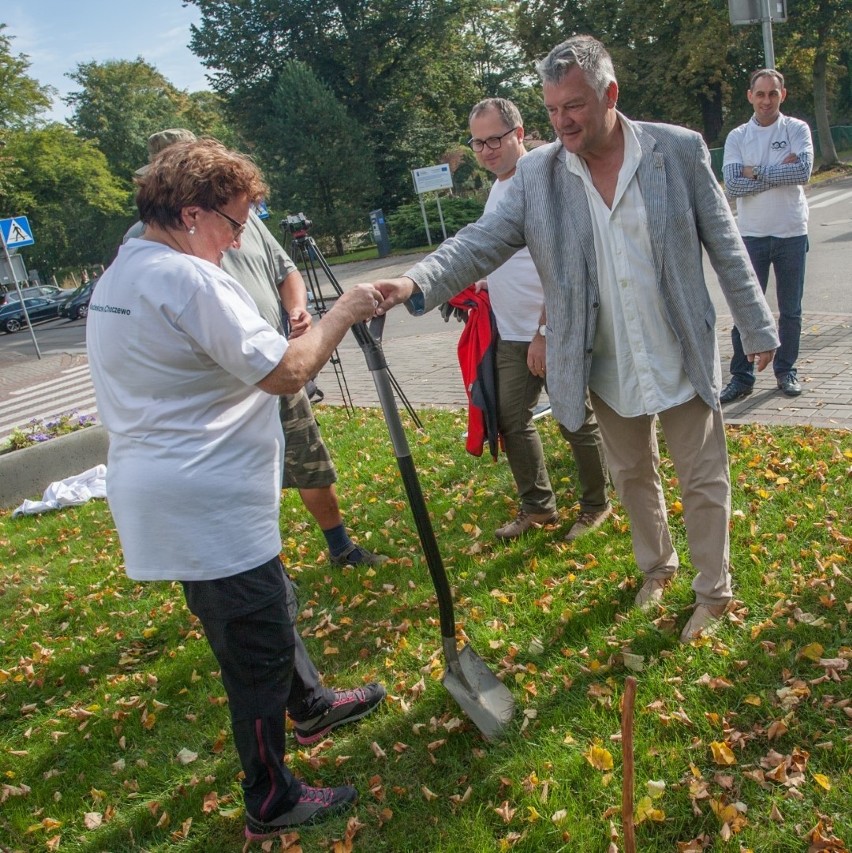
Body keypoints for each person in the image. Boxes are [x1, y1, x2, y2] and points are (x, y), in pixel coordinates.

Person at [372, 35, 779, 643]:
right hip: (604, 359)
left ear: (609, 94)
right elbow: (481, 240)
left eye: (575, 106)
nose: (561, 121)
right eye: (552, 109)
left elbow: (724, 241)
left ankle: (713, 593)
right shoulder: (539, 175)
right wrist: (413, 282)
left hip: (678, 349)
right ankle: (656, 571)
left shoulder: (677, 149)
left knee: (702, 477)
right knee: (632, 473)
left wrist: (756, 323)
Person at [87, 138, 386, 840]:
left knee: (268, 602)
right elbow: (284, 369)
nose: (240, 236)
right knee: (252, 652)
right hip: (203, 497)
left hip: (176, 493)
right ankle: (270, 796)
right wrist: (340, 312)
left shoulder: (125, 273)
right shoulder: (189, 280)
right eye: (233, 221)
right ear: (191, 214)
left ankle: (309, 703)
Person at [131, 129, 387, 567]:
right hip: (229, 383)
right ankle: (265, 567)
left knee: (309, 459)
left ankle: (339, 545)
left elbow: (287, 271)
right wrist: (342, 313)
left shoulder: (239, 217)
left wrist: (298, 309)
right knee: (244, 481)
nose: (235, 238)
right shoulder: (156, 244)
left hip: (276, 354)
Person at [466, 97, 611, 541]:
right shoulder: (497, 188)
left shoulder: (545, 181)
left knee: (573, 418)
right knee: (511, 419)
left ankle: (595, 505)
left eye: (495, 138)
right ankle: (538, 507)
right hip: (509, 333)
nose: (487, 150)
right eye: (477, 142)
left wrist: (545, 332)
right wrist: (486, 285)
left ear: (519, 133)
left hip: (551, 330)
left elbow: (565, 267)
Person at [721, 68, 813, 401]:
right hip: (751, 236)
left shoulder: (796, 129)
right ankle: (741, 377)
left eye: (772, 93)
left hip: (791, 232)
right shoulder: (738, 137)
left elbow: (802, 170)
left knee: (791, 310)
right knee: (745, 309)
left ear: (782, 95)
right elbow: (732, 184)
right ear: (750, 96)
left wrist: (754, 171)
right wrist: (779, 172)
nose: (766, 100)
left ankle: (786, 371)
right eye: (760, 94)